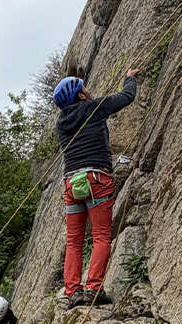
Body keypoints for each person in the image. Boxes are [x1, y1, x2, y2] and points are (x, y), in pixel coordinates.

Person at [54, 68, 140, 308]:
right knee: (101, 236)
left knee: (74, 241)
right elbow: (126, 97)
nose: (87, 90)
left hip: (72, 183)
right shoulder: (93, 108)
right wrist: (130, 78)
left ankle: (73, 291)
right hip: (96, 179)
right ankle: (93, 288)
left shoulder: (61, 124)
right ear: (80, 95)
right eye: (83, 88)